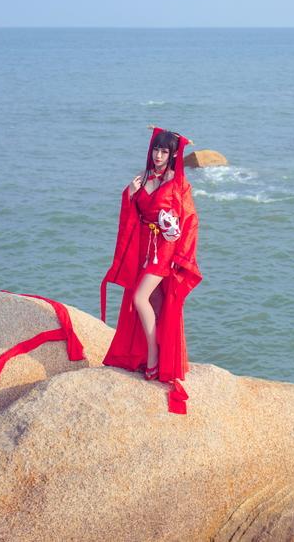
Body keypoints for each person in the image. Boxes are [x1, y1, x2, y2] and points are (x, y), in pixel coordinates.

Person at [100, 127, 202, 414]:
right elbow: (134, 212)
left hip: (164, 249)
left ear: (172, 155)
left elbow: (191, 221)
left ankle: (155, 358)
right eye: (156, 149)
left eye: (164, 151)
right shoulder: (143, 178)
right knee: (150, 303)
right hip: (143, 246)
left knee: (139, 298)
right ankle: (147, 356)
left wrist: (180, 255)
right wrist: (130, 194)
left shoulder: (178, 184)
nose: (158, 155)